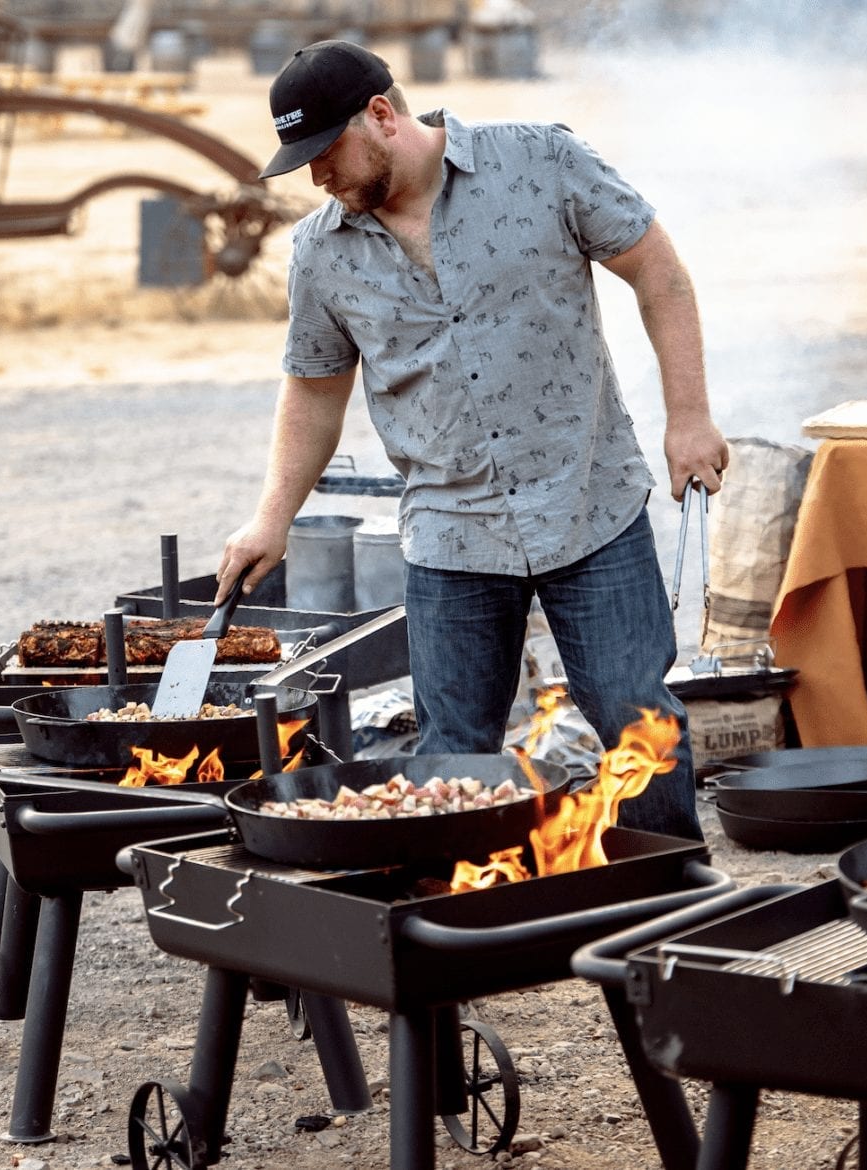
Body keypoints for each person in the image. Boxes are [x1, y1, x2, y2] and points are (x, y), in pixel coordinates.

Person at [215, 39, 729, 840]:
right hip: (451, 536)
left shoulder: (542, 162)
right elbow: (315, 392)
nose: (316, 177)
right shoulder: (320, 253)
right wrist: (270, 517)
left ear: (381, 115)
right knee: (452, 757)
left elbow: (658, 272)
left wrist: (688, 416)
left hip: (587, 502)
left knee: (640, 727)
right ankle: (466, 924)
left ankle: (670, 905)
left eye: (324, 152)